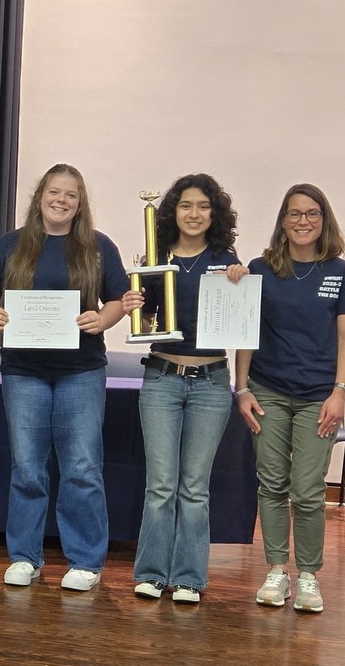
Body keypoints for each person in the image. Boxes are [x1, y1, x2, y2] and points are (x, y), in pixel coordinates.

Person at [0, 163, 128, 590]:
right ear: (40, 195)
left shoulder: (98, 246)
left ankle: (86, 561)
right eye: (54, 192)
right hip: (23, 371)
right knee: (27, 467)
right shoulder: (10, 245)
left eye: (70, 195)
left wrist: (103, 319)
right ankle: (25, 557)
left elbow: (118, 299)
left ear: (80, 203)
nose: (61, 200)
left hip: (81, 370)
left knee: (82, 467)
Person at [235, 183, 345, 613]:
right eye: (294, 213)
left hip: (318, 398)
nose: (303, 221)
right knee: (272, 484)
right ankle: (277, 571)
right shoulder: (260, 268)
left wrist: (339, 393)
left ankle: (308, 576)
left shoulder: (342, 273)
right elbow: (246, 332)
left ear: (323, 220)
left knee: (308, 490)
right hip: (267, 392)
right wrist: (242, 388)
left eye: (311, 213)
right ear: (283, 221)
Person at [120, 174, 244, 603]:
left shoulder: (226, 261)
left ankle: (189, 578)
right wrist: (135, 307)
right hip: (161, 379)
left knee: (195, 488)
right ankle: (152, 573)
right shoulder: (155, 260)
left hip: (211, 384)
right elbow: (147, 323)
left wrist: (242, 282)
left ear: (215, 213)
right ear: (173, 211)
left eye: (203, 206)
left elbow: (241, 320)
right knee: (160, 485)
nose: (195, 214)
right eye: (186, 205)